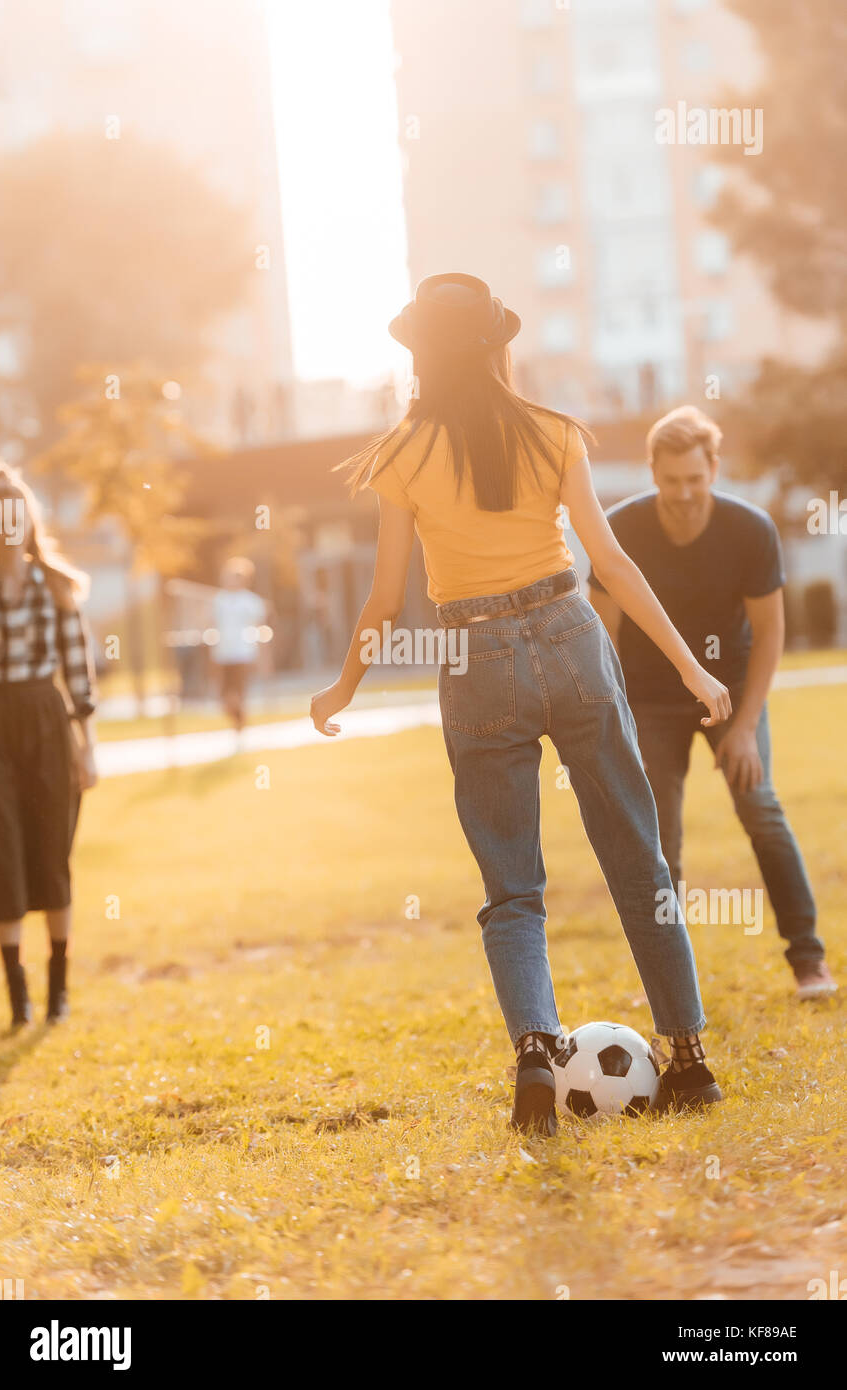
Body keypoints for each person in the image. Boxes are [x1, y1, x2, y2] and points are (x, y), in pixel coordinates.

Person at [310, 273, 733, 1134]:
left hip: (474, 659)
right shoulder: (552, 434)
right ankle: (687, 1061)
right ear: (498, 346)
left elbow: (386, 599)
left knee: (512, 889)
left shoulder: (399, 454)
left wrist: (342, 687)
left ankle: (535, 1055)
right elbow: (611, 564)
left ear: (421, 356)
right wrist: (691, 667)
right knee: (639, 865)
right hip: (570, 636)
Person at [587, 405, 835, 1000]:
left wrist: (746, 726)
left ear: (714, 469)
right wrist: (617, 724)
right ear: (653, 473)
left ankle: (808, 961)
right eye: (671, 480)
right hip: (649, 701)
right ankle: (670, 983)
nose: (683, 493)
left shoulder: (750, 531)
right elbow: (605, 638)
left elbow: (770, 633)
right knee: (656, 840)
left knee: (761, 809)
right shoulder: (621, 529)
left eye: (695, 479)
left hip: (731, 698)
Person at [0, 461, 98, 1030]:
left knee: (52, 853)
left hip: (46, 720)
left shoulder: (55, 586)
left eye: (15, 511)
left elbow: (77, 670)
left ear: (27, 518)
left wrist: (87, 746)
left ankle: (57, 992)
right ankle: (17, 998)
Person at [211, 557, 265, 733]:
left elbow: (259, 628)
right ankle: (239, 719)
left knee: (238, 693)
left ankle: (240, 723)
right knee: (224, 696)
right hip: (223, 653)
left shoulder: (252, 602)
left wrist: (264, 655)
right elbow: (211, 625)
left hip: (243, 652)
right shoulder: (219, 600)